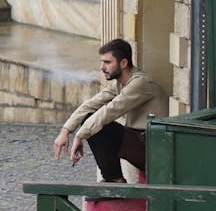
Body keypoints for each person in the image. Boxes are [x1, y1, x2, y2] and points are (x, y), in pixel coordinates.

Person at [52, 38, 168, 182]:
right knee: (90, 117)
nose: (102, 67)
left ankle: (115, 180)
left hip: (154, 149)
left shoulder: (140, 83)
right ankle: (113, 178)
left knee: (98, 123)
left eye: (107, 62)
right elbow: (90, 105)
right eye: (101, 62)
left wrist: (79, 136)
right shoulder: (120, 84)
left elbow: (109, 112)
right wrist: (65, 131)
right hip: (139, 142)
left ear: (123, 63)